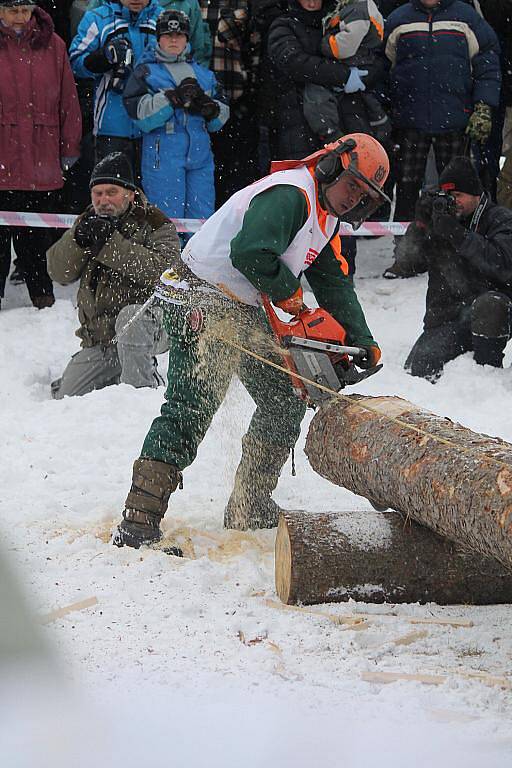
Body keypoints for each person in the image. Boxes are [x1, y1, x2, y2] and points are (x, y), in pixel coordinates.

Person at [111, 132, 390, 550]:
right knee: (192, 406)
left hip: (241, 302)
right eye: (352, 185)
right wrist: (288, 294)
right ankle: (139, 518)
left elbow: (332, 280)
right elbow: (250, 252)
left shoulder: (324, 213)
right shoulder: (291, 195)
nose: (353, 199)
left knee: (284, 397)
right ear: (331, 165)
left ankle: (250, 504)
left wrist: (361, 338)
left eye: (363, 194)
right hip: (199, 295)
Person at [47, 152, 181, 399]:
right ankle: (115, 371)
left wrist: (111, 244)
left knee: (130, 318)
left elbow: (166, 273)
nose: (103, 200)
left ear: (129, 194)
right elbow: (58, 273)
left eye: (111, 192)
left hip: (151, 326)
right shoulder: (87, 221)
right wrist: (76, 240)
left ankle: (141, 394)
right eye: (97, 193)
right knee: (66, 398)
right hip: (102, 339)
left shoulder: (155, 223)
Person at [384, 0, 500, 225]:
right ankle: (406, 254)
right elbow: (381, 67)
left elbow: (488, 64)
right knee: (407, 191)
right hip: (410, 122)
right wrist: (384, 108)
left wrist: (483, 106)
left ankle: (458, 252)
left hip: (455, 121)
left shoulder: (466, 18)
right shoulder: (398, 19)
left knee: (458, 194)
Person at [0, 0, 81, 311]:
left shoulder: (54, 44)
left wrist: (70, 146)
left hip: (40, 156)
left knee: (36, 236)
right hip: (4, 155)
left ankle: (42, 298)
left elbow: (68, 100)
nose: (20, 18)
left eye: (25, 10)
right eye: (12, 10)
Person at [403, 156, 512, 381]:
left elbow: (502, 265)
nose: (453, 203)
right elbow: (409, 263)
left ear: (476, 194)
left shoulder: (500, 219)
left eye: (458, 196)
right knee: (420, 367)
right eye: (448, 197)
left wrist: (458, 235)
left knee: (489, 304)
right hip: (452, 315)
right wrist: (421, 225)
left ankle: (487, 373)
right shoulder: (442, 220)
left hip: (496, 311)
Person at [123, 10, 228, 228]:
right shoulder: (146, 71)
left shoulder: (204, 74)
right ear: (158, 38)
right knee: (165, 223)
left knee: (202, 222)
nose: (173, 39)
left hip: (200, 157)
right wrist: (172, 99)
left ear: (187, 39)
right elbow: (141, 116)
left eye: (179, 35)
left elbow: (222, 116)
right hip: (163, 156)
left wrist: (210, 110)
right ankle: (167, 262)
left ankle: (197, 263)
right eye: (168, 35)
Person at [69, 0, 162, 172]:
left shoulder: (163, 19)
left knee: (152, 195)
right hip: (112, 126)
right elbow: (75, 62)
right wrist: (103, 58)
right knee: (111, 191)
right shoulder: (98, 18)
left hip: (156, 125)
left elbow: (185, 59)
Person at [302, 0, 390, 146]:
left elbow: (344, 47)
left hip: (353, 61)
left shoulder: (358, 10)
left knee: (317, 93)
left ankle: (332, 133)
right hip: (359, 62)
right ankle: (379, 125)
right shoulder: (351, 7)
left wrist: (325, 44)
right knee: (364, 97)